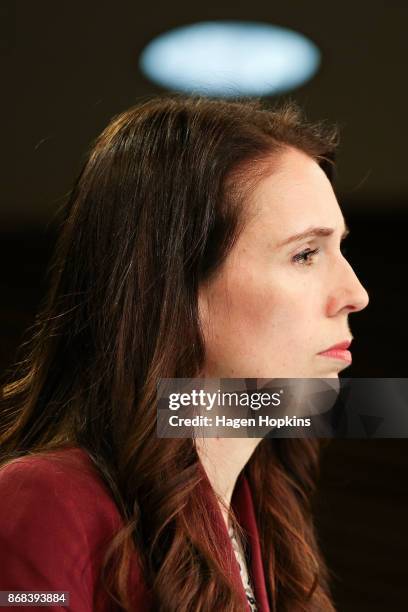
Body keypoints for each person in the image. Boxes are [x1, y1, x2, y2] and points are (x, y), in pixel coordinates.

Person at [0, 95, 369, 611]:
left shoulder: (261, 520)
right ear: (172, 287)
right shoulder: (42, 503)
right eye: (305, 253)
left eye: (340, 250)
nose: (356, 294)